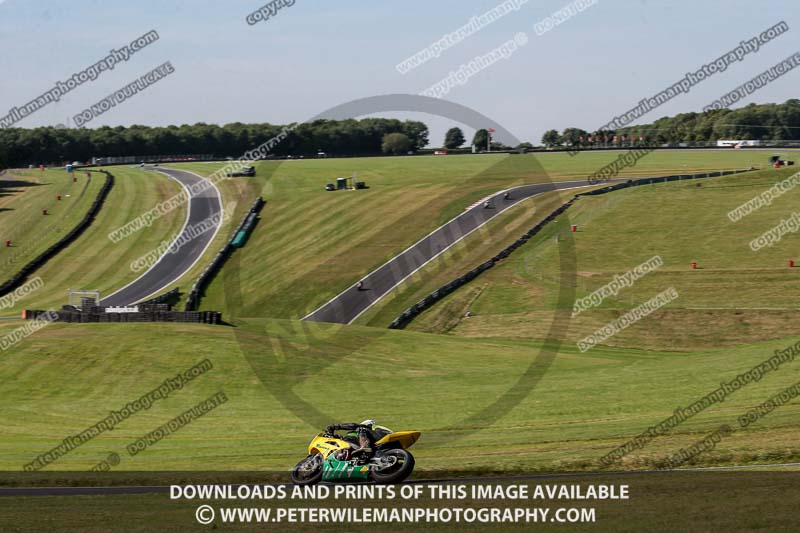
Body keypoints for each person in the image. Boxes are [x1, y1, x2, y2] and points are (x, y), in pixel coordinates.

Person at [325, 420, 392, 460]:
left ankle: (365, 447)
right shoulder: (370, 437)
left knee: (361, 429)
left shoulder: (369, 428)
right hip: (382, 445)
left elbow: (354, 426)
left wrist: (336, 426)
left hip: (383, 437)